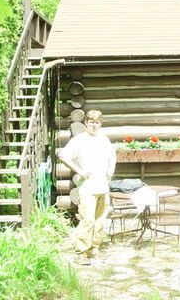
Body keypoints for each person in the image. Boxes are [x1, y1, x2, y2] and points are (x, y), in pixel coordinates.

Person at [59, 110, 116, 265]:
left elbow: (112, 157)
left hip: (103, 187)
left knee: (100, 221)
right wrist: (80, 171)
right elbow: (63, 155)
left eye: (97, 122)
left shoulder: (104, 139)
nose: (94, 125)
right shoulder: (79, 140)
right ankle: (81, 253)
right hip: (88, 189)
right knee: (88, 221)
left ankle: (94, 250)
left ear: (100, 124)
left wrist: (109, 174)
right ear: (86, 123)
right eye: (91, 122)